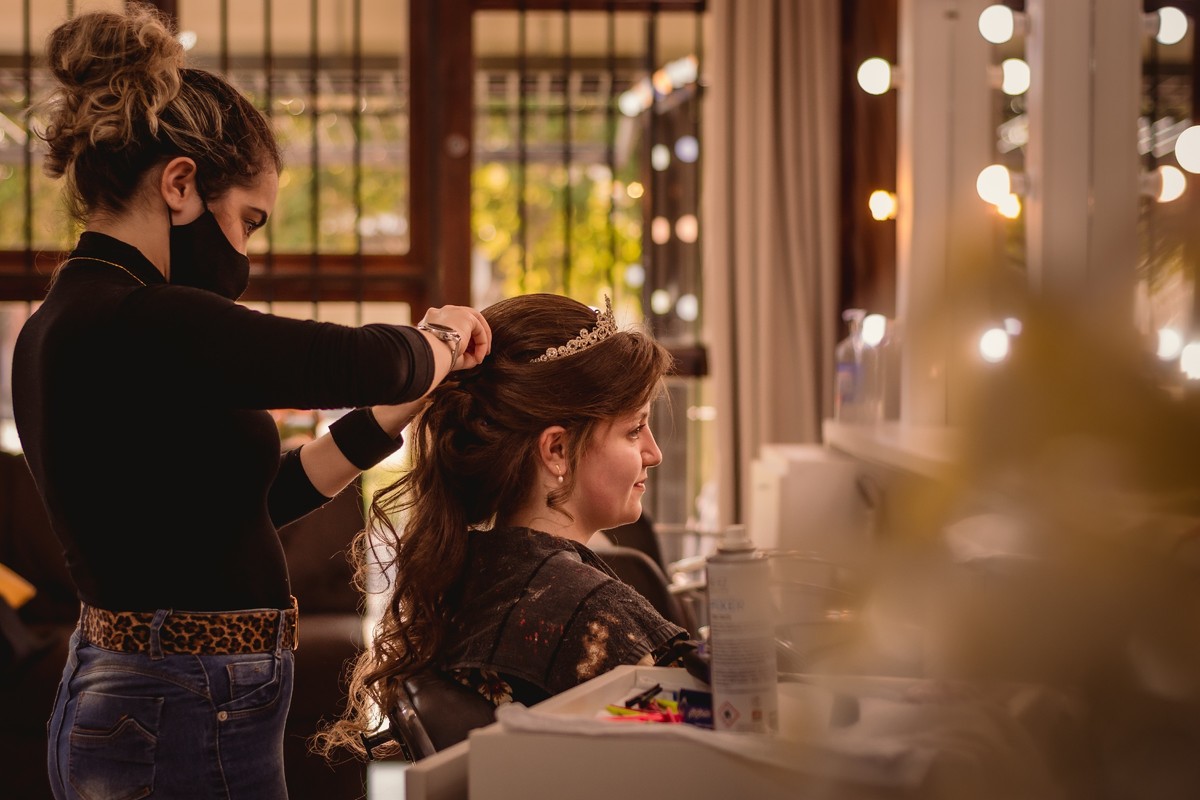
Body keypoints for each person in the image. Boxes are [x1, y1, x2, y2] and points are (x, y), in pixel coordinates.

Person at [9, 5, 490, 799]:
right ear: (180, 185)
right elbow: (359, 359)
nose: (244, 253)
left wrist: (388, 421)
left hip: (165, 693)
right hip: (177, 702)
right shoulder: (137, 318)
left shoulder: (80, 322)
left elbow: (257, 501)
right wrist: (440, 337)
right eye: (247, 221)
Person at [315, 292, 692, 759]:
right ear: (556, 450)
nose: (654, 453)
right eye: (634, 430)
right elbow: (707, 757)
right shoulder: (589, 613)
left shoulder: (470, 576)